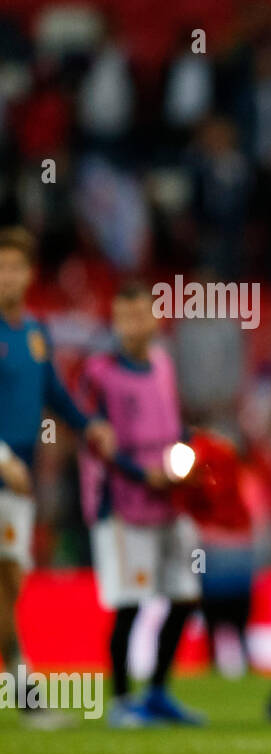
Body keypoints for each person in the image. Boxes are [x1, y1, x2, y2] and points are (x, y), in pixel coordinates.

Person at [0, 226, 117, 728]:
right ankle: (26, 693)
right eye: (1, 266)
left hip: (18, 481)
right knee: (4, 584)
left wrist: (89, 426)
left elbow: (56, 395)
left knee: (11, 583)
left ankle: (23, 686)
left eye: (16, 266)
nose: (8, 275)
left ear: (29, 274)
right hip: (5, 471)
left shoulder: (35, 333)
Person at [78, 281, 204, 726]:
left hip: (168, 501)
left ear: (154, 318)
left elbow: (174, 426)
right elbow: (95, 440)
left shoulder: (163, 365)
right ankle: (120, 701)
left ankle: (157, 693)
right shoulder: (99, 373)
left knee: (185, 596)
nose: (133, 326)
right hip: (123, 503)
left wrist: (191, 452)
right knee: (130, 602)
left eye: (140, 315)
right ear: (114, 323)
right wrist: (139, 474)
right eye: (123, 317)